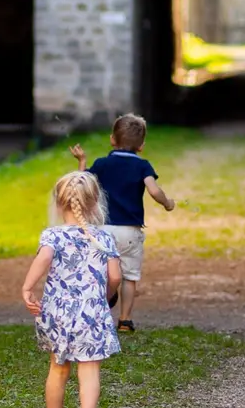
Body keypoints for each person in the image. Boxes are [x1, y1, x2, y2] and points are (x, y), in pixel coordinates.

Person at [20, 171, 122, 408]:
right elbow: (114, 276)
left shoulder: (52, 236)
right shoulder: (104, 238)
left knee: (58, 368)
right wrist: (106, 295)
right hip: (91, 311)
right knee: (89, 371)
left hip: (58, 312)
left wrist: (28, 288)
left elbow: (43, 261)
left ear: (59, 203)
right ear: (94, 203)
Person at [69, 113, 176, 333]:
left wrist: (82, 162)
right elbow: (154, 191)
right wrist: (167, 203)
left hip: (101, 230)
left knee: (98, 272)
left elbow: (82, 184)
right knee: (129, 276)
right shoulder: (143, 166)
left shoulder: (102, 164)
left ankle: (96, 314)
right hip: (129, 231)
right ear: (142, 146)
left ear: (112, 140)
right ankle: (125, 319)